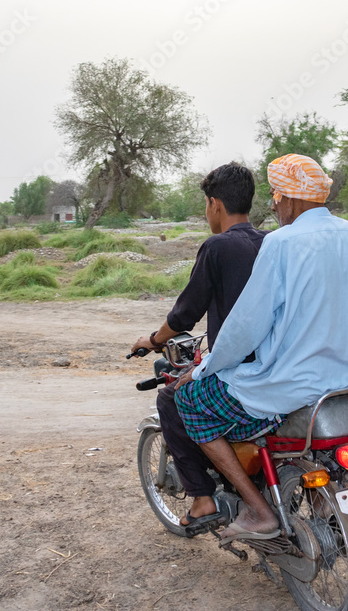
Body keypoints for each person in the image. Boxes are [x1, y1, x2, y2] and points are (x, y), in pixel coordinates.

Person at [173, 154, 348, 542]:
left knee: (190, 399)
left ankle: (258, 510)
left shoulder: (282, 242)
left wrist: (204, 367)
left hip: (290, 384)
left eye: (276, 199)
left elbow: (247, 325)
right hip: (347, 379)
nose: (275, 207)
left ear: (289, 199)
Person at [129, 162, 267, 527]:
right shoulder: (271, 242)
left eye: (206, 205)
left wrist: (153, 340)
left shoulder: (217, 246)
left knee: (172, 396)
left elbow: (185, 314)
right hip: (274, 365)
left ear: (214, 204)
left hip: (239, 373)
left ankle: (203, 498)